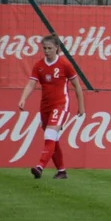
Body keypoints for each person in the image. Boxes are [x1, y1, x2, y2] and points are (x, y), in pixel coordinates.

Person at [18, 34, 86, 179]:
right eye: (45, 48)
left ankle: (40, 167)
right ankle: (61, 171)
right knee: (53, 139)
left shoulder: (65, 64)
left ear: (57, 49)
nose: (47, 51)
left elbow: (77, 86)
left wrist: (81, 106)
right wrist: (23, 98)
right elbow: (31, 83)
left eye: (50, 48)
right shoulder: (39, 65)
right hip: (45, 106)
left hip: (61, 104)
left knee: (49, 135)